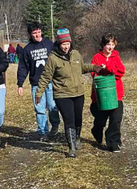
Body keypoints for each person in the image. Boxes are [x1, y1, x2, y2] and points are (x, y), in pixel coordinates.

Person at [33, 28, 108, 158]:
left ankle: (77, 137)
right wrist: (39, 93)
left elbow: (82, 68)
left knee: (78, 118)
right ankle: (71, 147)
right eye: (63, 44)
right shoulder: (53, 58)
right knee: (69, 120)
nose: (66, 46)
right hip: (62, 94)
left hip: (78, 92)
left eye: (67, 43)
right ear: (58, 44)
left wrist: (95, 68)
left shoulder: (76, 54)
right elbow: (45, 77)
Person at [16, 22, 59, 141]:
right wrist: (20, 84)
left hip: (51, 82)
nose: (37, 35)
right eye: (34, 33)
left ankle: (55, 127)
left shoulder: (49, 44)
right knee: (39, 109)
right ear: (30, 34)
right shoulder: (27, 49)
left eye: (38, 32)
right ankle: (42, 131)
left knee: (52, 106)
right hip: (36, 83)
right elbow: (23, 67)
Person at [90, 33, 126, 152]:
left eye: (112, 44)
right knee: (101, 119)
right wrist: (103, 71)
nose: (110, 47)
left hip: (116, 93)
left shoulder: (116, 57)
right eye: (108, 44)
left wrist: (109, 70)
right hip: (101, 95)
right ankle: (97, 130)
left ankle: (114, 143)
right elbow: (94, 73)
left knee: (116, 119)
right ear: (103, 45)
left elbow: (121, 71)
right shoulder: (97, 57)